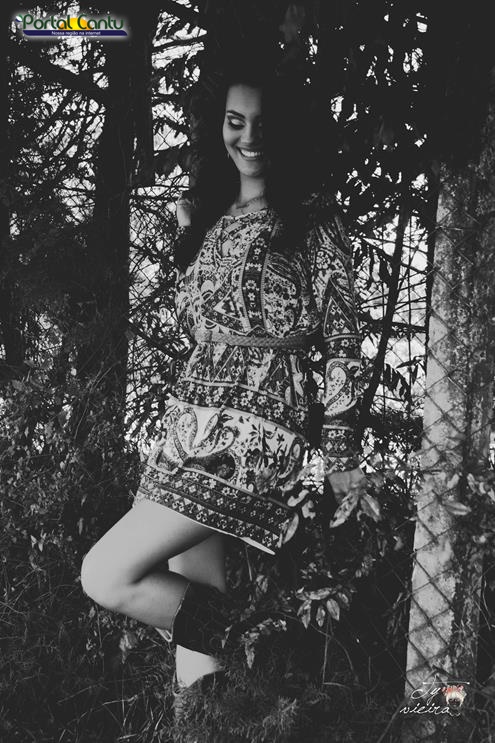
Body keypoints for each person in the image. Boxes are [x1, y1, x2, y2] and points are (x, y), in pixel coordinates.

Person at [80, 65, 368, 708]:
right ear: (219, 128)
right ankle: (211, 718)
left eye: (264, 123)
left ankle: (262, 642)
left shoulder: (312, 219)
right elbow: (195, 325)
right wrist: (189, 238)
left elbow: (344, 337)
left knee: (105, 573)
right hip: (190, 426)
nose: (250, 137)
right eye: (236, 122)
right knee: (193, 595)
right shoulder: (211, 219)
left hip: (254, 433)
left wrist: (342, 452)